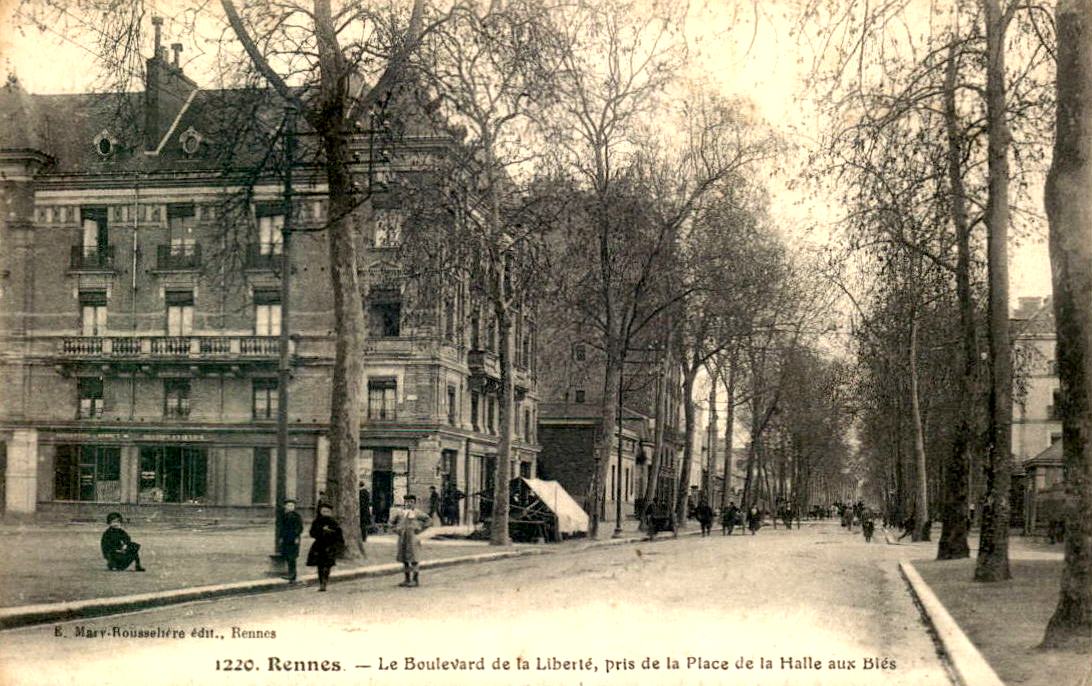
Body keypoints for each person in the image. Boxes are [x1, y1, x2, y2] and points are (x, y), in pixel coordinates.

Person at [389, 493, 432, 587]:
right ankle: (407, 579)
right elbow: (391, 522)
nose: (409, 504)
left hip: (413, 538)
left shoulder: (417, 513)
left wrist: (420, 529)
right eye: (407, 502)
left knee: (414, 558)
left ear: (414, 503)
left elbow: (428, 520)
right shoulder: (400, 513)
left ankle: (415, 580)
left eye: (411, 502)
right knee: (404, 559)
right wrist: (396, 530)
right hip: (403, 538)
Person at [306, 502, 344, 592]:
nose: (325, 513)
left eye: (327, 511)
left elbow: (339, 535)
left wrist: (331, 532)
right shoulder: (317, 521)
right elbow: (312, 533)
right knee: (320, 565)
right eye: (323, 511)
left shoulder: (333, 522)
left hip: (330, 546)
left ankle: (324, 582)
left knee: (327, 565)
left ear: (330, 512)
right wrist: (321, 530)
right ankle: (321, 582)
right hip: (319, 545)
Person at [279, 498, 304, 583]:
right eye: (289, 505)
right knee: (287, 556)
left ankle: (292, 574)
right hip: (286, 539)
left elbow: (299, 528)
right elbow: (281, 528)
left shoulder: (296, 516)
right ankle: (291, 574)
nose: (290, 507)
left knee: (292, 557)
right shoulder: (284, 516)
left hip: (293, 539)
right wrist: (281, 538)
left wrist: (296, 537)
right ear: (285, 506)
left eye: (292, 506)